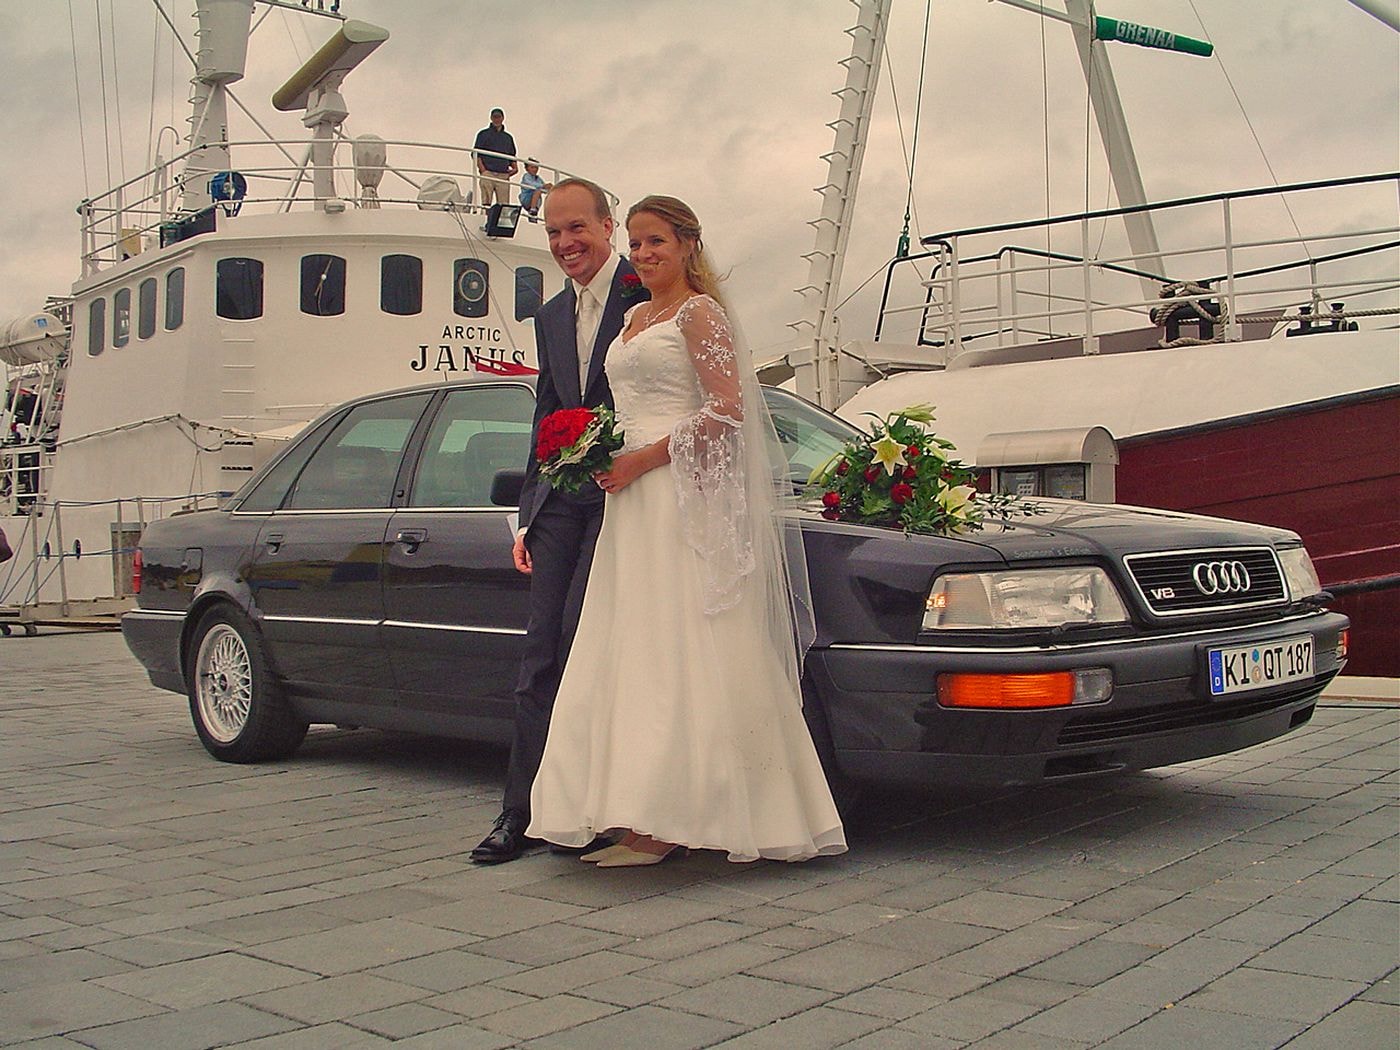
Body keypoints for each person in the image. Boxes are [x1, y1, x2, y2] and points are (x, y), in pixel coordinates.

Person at [527, 196, 847, 866]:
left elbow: (728, 408)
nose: (643, 256)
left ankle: (673, 821)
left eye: (655, 243)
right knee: (634, 652)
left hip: (672, 496)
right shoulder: (635, 316)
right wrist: (594, 449)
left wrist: (644, 457)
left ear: (685, 245)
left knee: (679, 648)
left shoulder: (700, 312)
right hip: (629, 504)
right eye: (637, 244)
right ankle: (639, 810)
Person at [470, 178, 647, 864]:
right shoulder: (548, 315)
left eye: (578, 228)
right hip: (560, 505)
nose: (566, 243)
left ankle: (597, 808)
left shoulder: (647, 293)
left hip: (626, 497)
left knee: (590, 644)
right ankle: (521, 812)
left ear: (609, 226)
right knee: (540, 652)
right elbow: (546, 415)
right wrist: (525, 517)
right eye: (553, 233)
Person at [473, 108, 517, 209]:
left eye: (498, 117)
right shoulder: (483, 134)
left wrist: (514, 168)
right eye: (494, 117)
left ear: (503, 118)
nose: (497, 119)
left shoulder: (508, 137)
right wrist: (483, 170)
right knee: (486, 202)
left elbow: (512, 156)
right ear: (491, 118)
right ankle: (486, 219)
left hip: (503, 174)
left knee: (503, 204)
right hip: (488, 172)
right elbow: (476, 154)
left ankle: (501, 224)